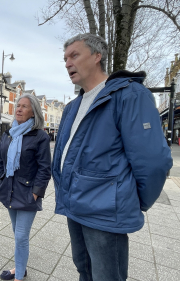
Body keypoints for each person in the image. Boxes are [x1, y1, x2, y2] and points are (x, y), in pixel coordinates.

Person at [52, 33, 172, 280]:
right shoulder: (72, 107)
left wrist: (134, 200)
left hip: (105, 212)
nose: (67, 63)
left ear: (98, 56)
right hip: (74, 206)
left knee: (107, 276)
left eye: (74, 55)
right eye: (65, 58)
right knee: (84, 270)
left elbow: (153, 161)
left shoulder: (129, 95)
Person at [0, 94, 51, 281]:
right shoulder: (9, 133)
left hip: (27, 194)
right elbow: (0, 161)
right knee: (16, 232)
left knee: (20, 237)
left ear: (33, 112)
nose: (18, 109)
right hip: (9, 191)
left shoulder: (40, 136)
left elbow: (44, 169)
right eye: (17, 105)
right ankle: (21, 267)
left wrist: (36, 194)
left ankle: (18, 276)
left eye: (24, 106)